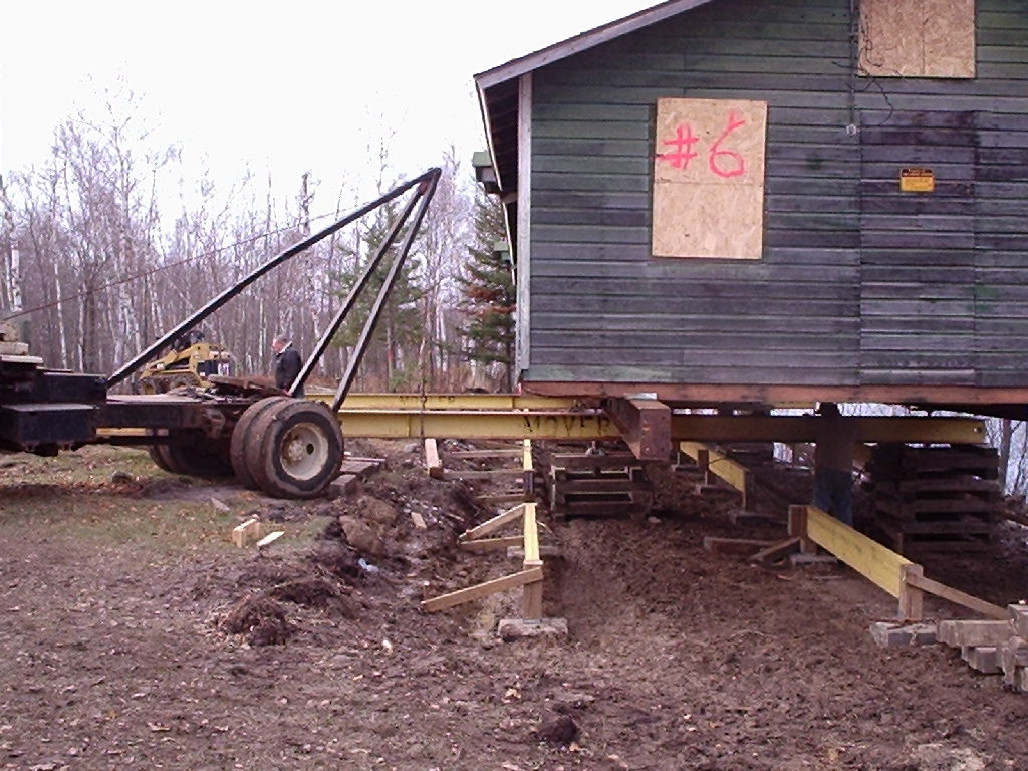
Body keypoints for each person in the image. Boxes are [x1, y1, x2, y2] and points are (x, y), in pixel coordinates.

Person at [812, 402, 857, 526]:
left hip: (825, 468)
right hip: (844, 470)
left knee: (820, 505)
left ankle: (816, 534)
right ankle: (846, 537)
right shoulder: (849, 425)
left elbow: (809, 426)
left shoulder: (822, 425)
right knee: (843, 507)